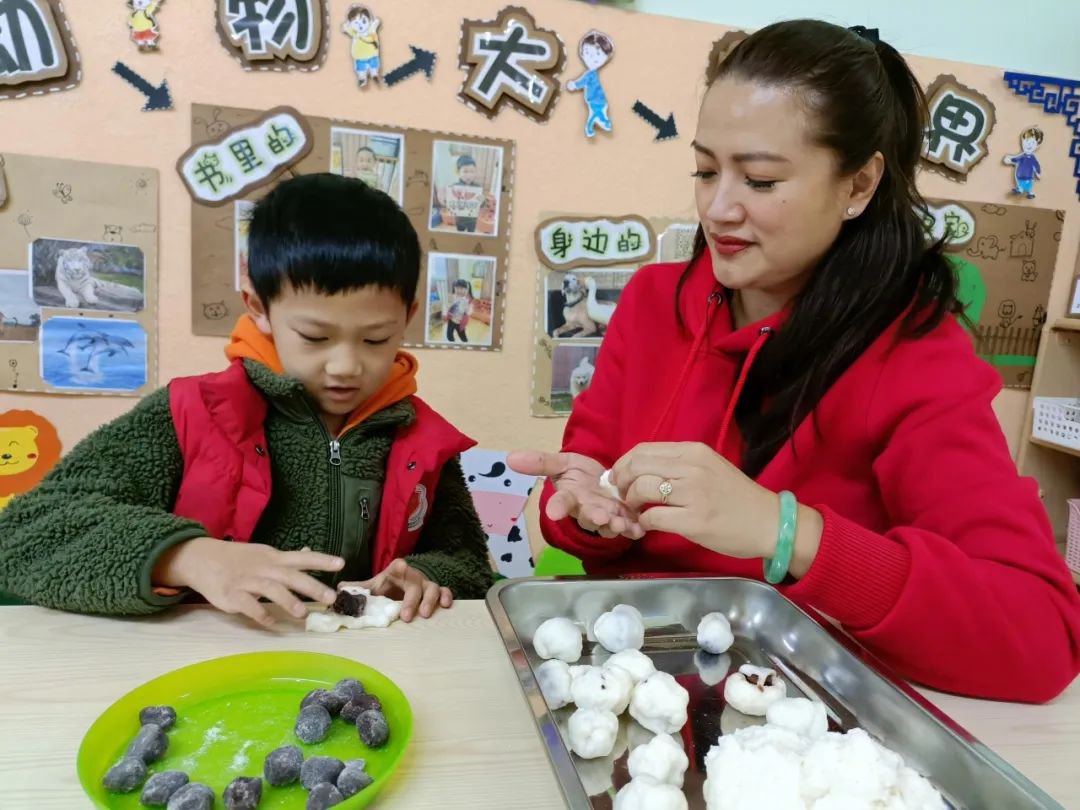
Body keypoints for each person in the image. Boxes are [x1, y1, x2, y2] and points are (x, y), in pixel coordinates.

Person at [510, 20, 1080, 703]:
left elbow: (1041, 637)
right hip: (630, 684)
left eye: (758, 178)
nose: (718, 207)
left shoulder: (916, 356)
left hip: (796, 717)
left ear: (860, 184)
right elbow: (589, 477)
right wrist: (580, 510)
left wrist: (787, 534)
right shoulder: (652, 302)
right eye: (704, 169)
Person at [0, 174, 493, 626]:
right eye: (315, 337)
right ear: (258, 307)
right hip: (199, 669)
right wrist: (187, 556)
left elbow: (467, 562)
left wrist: (424, 577)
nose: (346, 366)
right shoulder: (194, 412)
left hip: (356, 674)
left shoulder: (418, 436)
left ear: (406, 317)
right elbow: (25, 534)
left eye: (376, 339)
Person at [444, 278, 473, 343]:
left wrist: (467, 308)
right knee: (449, 335)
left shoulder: (467, 300)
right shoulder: (453, 297)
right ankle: (452, 343)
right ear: (454, 288)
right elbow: (447, 306)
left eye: (461, 289)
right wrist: (449, 302)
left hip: (460, 322)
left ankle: (465, 343)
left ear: (466, 289)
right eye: (457, 288)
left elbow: (470, 311)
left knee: (462, 336)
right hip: (451, 320)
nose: (459, 290)